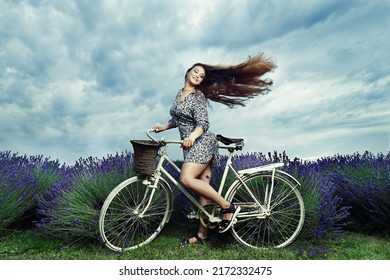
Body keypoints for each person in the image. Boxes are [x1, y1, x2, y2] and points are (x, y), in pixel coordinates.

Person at [154, 54, 277, 244]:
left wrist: (192, 137)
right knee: (203, 191)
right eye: (196, 71)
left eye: (201, 75)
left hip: (202, 142)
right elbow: (178, 119)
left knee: (186, 179)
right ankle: (202, 235)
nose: (198, 76)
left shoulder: (198, 96)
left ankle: (228, 207)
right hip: (191, 145)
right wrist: (164, 126)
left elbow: (203, 122)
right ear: (187, 73)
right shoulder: (180, 94)